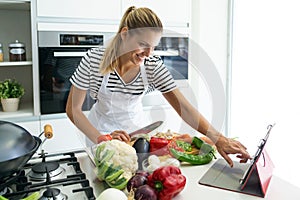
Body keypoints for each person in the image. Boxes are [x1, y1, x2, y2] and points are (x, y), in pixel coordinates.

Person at [66, 6, 250, 167]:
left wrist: (219, 138)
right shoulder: (94, 60)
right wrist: (103, 138)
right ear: (124, 34)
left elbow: (184, 107)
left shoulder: (152, 65)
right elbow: (73, 109)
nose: (148, 53)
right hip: (100, 132)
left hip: (136, 136)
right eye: (143, 45)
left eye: (153, 46)